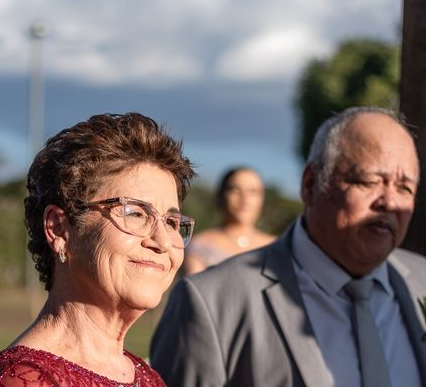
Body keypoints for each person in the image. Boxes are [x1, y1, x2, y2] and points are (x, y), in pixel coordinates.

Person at [151, 107, 426, 386]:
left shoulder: (421, 283)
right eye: (370, 181)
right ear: (310, 185)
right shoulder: (211, 302)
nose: (390, 202)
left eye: (405, 188)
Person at [0, 112, 196, 387]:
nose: (163, 242)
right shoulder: (26, 380)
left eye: (172, 222)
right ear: (59, 229)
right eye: (136, 213)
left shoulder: (144, 376)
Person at [183, 167, 274, 274]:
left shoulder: (277, 247)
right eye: (236, 190)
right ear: (221, 195)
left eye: (253, 191)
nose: (245, 198)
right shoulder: (200, 246)